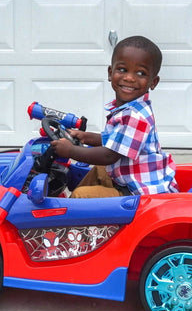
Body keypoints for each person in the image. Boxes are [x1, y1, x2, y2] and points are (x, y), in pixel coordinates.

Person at [50, 35, 178, 198]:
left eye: (140, 73)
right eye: (122, 70)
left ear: (153, 82)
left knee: (83, 196)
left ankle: (72, 213)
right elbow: (115, 140)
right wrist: (85, 137)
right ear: (111, 72)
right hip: (128, 180)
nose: (129, 78)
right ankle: (70, 206)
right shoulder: (127, 109)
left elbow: (109, 155)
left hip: (140, 193)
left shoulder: (136, 116)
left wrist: (70, 151)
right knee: (99, 169)